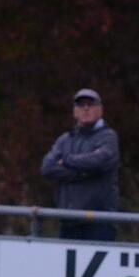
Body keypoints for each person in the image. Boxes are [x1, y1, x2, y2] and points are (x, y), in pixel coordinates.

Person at [41, 88, 119, 241]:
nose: (86, 108)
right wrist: (83, 172)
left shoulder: (108, 137)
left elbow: (99, 162)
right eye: (81, 105)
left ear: (100, 110)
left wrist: (67, 161)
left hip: (99, 221)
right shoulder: (65, 139)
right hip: (69, 220)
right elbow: (47, 167)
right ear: (74, 111)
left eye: (91, 104)